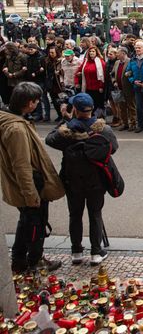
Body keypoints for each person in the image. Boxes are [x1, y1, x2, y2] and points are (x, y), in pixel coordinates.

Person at [45, 93, 118, 266]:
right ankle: (96, 252)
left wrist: (65, 120)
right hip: (96, 180)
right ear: (92, 109)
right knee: (95, 214)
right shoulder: (103, 130)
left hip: (72, 180)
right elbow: (113, 148)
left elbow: (50, 139)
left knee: (75, 215)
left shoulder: (66, 132)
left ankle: (76, 251)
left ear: (75, 110)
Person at [0, 82, 65, 273]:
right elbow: (21, 166)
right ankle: (34, 260)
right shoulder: (17, 130)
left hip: (26, 185)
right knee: (35, 225)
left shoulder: (12, 119)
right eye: (36, 101)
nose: (37, 104)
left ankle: (19, 260)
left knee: (25, 223)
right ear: (29, 103)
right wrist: (31, 195)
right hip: (30, 186)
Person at [74, 45, 106, 114]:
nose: (91, 53)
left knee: (98, 105)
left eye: (93, 51)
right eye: (90, 51)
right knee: (89, 105)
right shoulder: (85, 62)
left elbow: (102, 75)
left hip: (98, 88)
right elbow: (77, 72)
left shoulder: (101, 62)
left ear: (96, 52)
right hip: (87, 88)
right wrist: (76, 82)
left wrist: (101, 86)